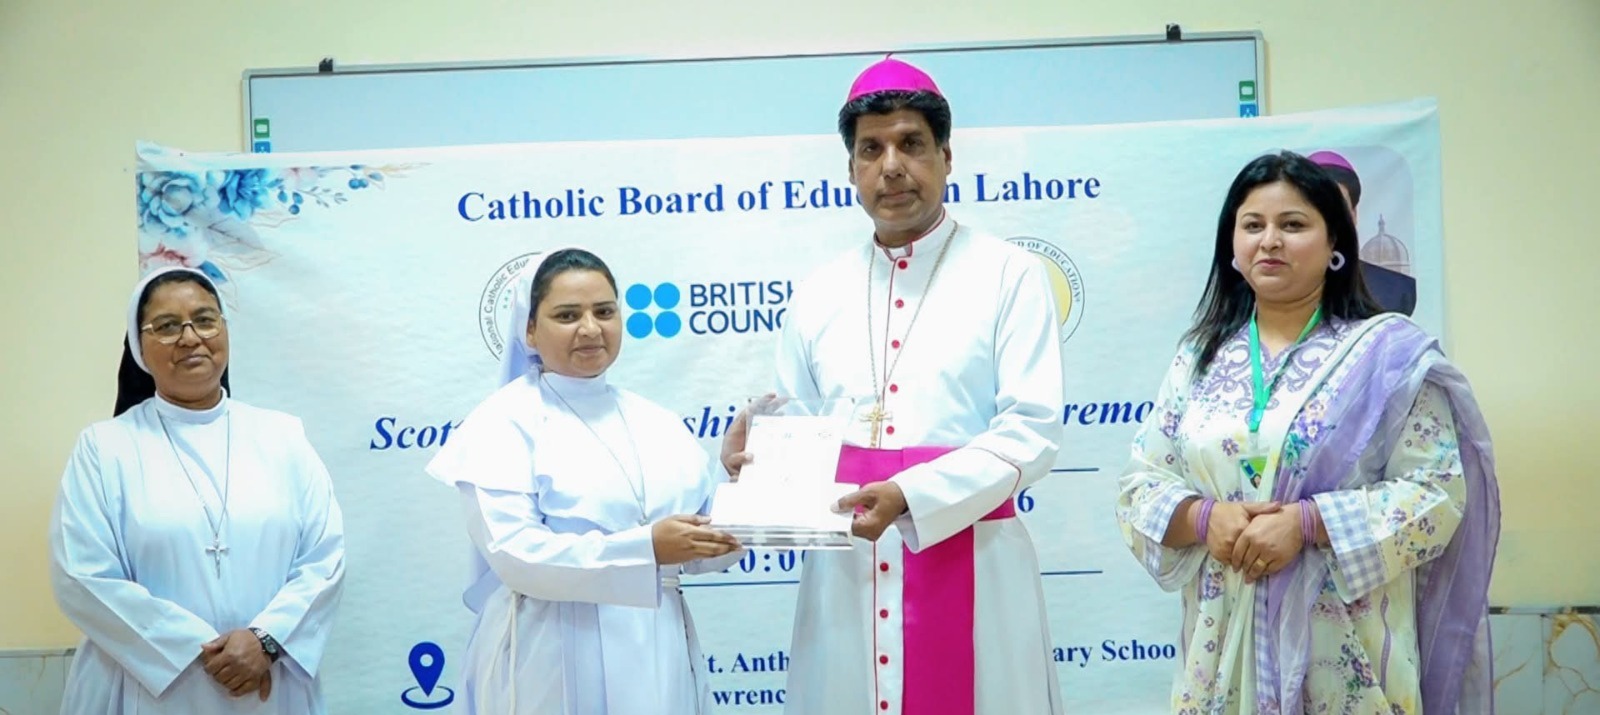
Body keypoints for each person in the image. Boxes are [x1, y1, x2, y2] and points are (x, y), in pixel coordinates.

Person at [721, 56, 1066, 715]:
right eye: (871, 149)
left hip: (978, 566)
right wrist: (755, 466)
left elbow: (1032, 430)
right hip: (848, 575)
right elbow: (799, 431)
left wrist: (910, 494)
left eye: (911, 144)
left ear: (946, 156)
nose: (892, 166)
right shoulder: (818, 291)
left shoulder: (1010, 275)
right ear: (851, 168)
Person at [1115, 150, 1499, 714]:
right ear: (1232, 246)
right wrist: (1203, 518)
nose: (1270, 241)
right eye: (1253, 225)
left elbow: (1437, 496)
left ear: (1335, 243)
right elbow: (1139, 487)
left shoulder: (1387, 357)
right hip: (1220, 658)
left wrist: (1308, 523)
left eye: (1293, 225)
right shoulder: (1199, 358)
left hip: (1347, 660)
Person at [426, 247, 744, 714]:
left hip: (658, 646)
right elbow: (516, 556)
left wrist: (740, 481)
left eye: (605, 312)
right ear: (529, 329)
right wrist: (647, 549)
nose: (591, 329)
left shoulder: (657, 421)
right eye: (567, 315)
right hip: (551, 651)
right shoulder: (503, 422)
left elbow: (707, 548)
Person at [49, 265, 347, 713]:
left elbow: (324, 559)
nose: (190, 338)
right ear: (139, 348)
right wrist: (200, 650)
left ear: (223, 331)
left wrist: (265, 641)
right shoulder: (104, 448)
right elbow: (81, 575)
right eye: (167, 326)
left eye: (204, 320)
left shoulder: (283, 438)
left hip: (268, 681)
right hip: (145, 686)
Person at [1307, 149, 1417, 315]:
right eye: (1316, 206)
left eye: (1338, 206)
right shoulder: (1273, 285)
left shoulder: (1401, 290)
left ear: (1354, 215)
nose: (1327, 218)